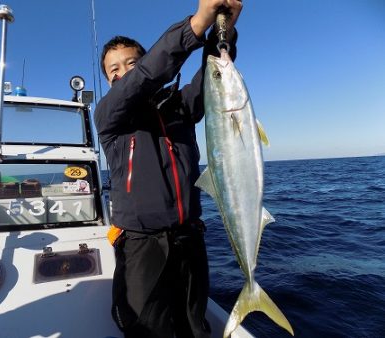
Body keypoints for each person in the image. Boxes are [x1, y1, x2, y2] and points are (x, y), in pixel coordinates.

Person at [94, 1, 242, 337]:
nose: (123, 72)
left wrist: (225, 31)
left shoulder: (180, 107)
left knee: (195, 324)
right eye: (113, 69)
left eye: (132, 62)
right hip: (141, 245)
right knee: (148, 329)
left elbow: (214, 76)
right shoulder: (109, 116)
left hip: (190, 238)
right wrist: (195, 24)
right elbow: (143, 80)